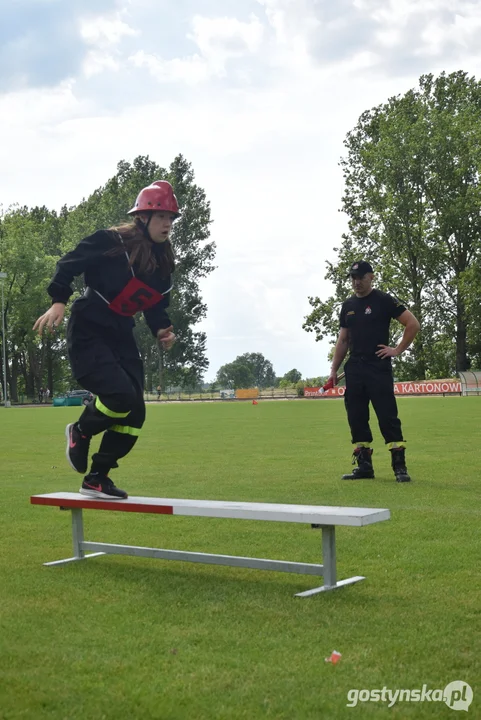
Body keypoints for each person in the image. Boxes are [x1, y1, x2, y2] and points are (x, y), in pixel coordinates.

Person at [33, 181, 179, 499]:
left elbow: (154, 303)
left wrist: (162, 328)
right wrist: (59, 300)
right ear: (142, 217)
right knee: (120, 396)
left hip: (120, 333)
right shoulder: (111, 241)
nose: (168, 223)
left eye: (171, 217)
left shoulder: (162, 266)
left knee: (135, 410)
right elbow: (69, 263)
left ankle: (97, 477)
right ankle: (80, 431)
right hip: (89, 328)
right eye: (161, 217)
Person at [328, 261, 420, 482]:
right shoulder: (347, 305)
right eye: (353, 278)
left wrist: (397, 350)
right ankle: (364, 467)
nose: (356, 282)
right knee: (356, 417)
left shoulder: (384, 300)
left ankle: (399, 467)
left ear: (372, 277)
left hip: (378, 366)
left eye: (361, 277)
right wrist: (333, 370)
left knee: (387, 416)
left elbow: (412, 324)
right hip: (355, 368)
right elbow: (343, 339)